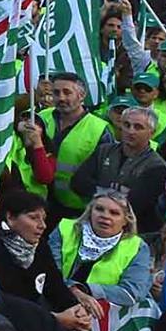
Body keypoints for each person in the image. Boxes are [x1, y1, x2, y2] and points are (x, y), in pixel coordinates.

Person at [51, 187, 151, 316]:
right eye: (99, 209)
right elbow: (49, 273)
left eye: (114, 213)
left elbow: (132, 293)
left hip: (103, 316)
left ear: (126, 220)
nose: (105, 216)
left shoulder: (137, 247)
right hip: (55, 301)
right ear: (90, 211)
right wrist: (73, 290)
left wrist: (86, 290)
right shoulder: (65, 229)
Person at [72, 107, 166, 234]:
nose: (130, 131)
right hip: (93, 225)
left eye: (138, 127)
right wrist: (115, 194)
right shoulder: (104, 151)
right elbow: (78, 183)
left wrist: (100, 193)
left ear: (152, 132)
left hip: (134, 232)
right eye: (126, 125)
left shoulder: (156, 166)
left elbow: (135, 204)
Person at [0, 192, 80, 315]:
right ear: (10, 218)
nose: (42, 226)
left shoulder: (40, 246)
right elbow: (9, 299)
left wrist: (76, 310)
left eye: (44, 219)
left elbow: (55, 285)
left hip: (39, 315)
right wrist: (54, 319)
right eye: (34, 218)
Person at [36, 72, 110, 221]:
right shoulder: (41, 118)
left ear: (82, 96)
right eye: (56, 92)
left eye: (67, 92)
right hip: (39, 203)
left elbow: (105, 174)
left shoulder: (99, 129)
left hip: (77, 209)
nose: (61, 98)